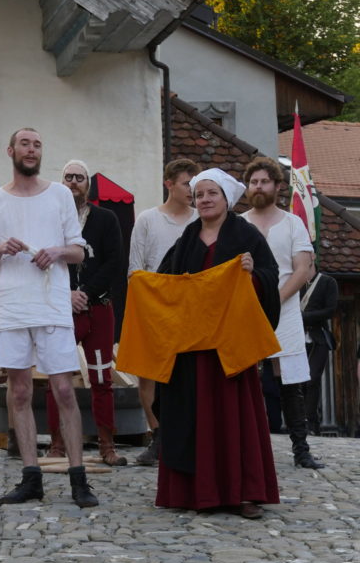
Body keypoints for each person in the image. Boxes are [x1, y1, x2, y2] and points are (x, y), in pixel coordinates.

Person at [0, 128, 98, 508]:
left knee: (63, 389)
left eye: (37, 144)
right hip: (12, 305)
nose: (31, 150)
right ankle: (31, 476)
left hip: (51, 303)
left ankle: (78, 478)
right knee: (21, 390)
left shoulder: (60, 194)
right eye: (25, 144)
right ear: (11, 151)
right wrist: (0, 248)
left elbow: (79, 251)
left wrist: (56, 251)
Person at [151, 168, 281, 518]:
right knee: (191, 417)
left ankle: (243, 493)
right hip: (191, 349)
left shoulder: (246, 235)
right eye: (199, 195)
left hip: (229, 350)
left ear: (226, 199)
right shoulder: (187, 239)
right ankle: (193, 492)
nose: (205, 200)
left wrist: (253, 275)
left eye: (212, 194)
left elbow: (270, 279)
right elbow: (167, 284)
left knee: (232, 421)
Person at [242, 156, 324, 469]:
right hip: (244, 311)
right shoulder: (238, 224)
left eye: (264, 181)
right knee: (242, 374)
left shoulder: (293, 223)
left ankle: (301, 448)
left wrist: (273, 301)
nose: (258, 187)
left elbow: (302, 270)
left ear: (278, 186)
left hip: (285, 310)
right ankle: (245, 447)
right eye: (253, 182)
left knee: (287, 377)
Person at [44, 159, 126, 466]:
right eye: (68, 177)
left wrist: (86, 293)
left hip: (98, 308)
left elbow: (114, 261)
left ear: (87, 184)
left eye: (79, 177)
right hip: (60, 308)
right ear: (61, 182)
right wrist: (65, 295)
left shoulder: (106, 219)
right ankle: (56, 445)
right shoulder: (48, 219)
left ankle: (107, 445)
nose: (73, 182)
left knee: (102, 377)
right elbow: (43, 261)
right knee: (58, 377)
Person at [127, 158, 199, 466]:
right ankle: (158, 435)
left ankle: (188, 437)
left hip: (191, 308)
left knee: (188, 375)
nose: (193, 191)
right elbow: (135, 268)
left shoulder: (200, 220)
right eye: (187, 184)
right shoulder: (147, 219)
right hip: (155, 305)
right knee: (149, 376)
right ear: (169, 184)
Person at [300, 267, 338, 434]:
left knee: (313, 378)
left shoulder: (328, 282)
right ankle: (301, 422)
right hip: (298, 338)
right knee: (298, 382)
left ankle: (311, 423)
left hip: (318, 337)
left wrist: (305, 317)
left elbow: (330, 310)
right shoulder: (296, 282)